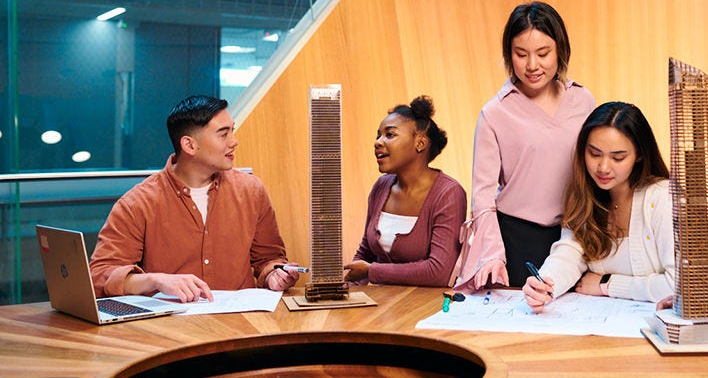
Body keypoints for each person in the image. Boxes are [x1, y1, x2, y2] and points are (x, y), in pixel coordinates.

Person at [89, 95, 299, 302]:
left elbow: (269, 259)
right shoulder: (137, 203)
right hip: (171, 329)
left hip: (241, 324)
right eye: (223, 134)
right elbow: (99, 276)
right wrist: (154, 280)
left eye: (231, 131)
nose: (234, 141)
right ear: (189, 145)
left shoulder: (252, 191)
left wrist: (275, 275)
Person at [455, 1, 596, 290]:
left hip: (574, 236)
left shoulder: (583, 101)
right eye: (521, 54)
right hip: (516, 238)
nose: (532, 65)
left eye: (543, 53)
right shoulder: (494, 113)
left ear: (560, 50)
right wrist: (493, 254)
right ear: (509, 55)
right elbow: (482, 197)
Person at [523, 102, 675, 312]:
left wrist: (607, 284)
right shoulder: (586, 196)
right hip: (601, 329)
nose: (603, 167)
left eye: (618, 157)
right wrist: (545, 285)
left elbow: (680, 286)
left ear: (639, 155)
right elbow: (569, 254)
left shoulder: (663, 198)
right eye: (594, 154)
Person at [344, 96, 467, 286]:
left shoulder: (449, 193)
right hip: (381, 306)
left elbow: (439, 271)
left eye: (390, 135)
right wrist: (345, 292)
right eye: (378, 135)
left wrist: (372, 271)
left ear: (420, 143)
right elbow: (366, 253)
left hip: (426, 310)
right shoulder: (381, 187)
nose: (378, 142)